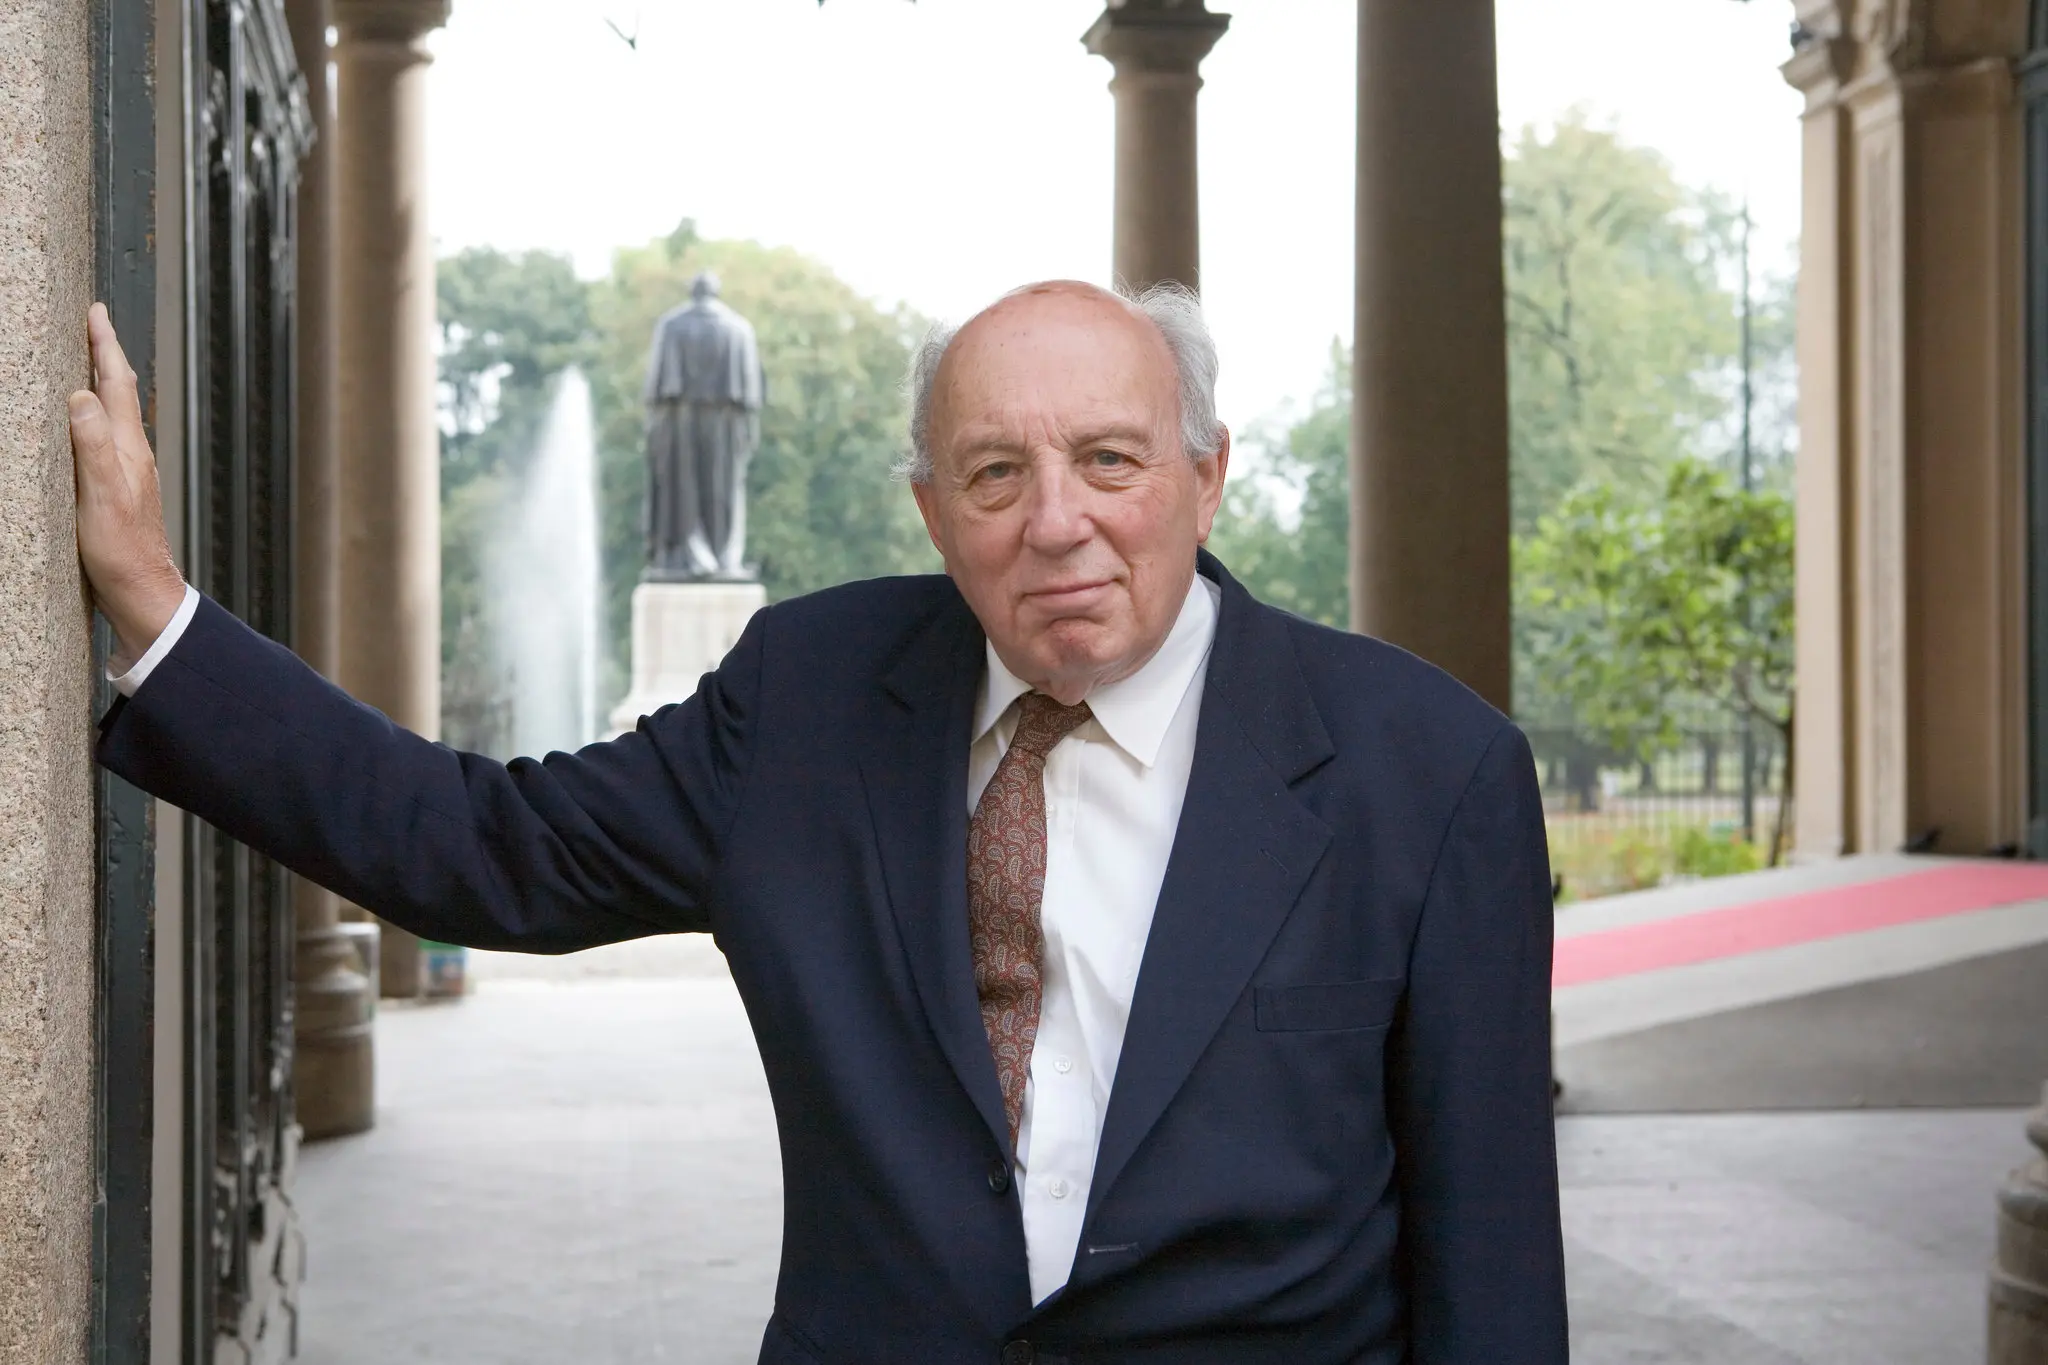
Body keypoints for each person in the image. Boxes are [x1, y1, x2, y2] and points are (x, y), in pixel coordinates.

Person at [69, 282, 1566, 1364]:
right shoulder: (811, 698)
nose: (1057, 519)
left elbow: (1491, 1267)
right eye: (996, 473)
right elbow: (484, 850)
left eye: (1110, 459)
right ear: (932, 512)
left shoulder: (1426, 774)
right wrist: (151, 604)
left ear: (1205, 475)